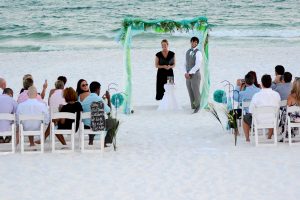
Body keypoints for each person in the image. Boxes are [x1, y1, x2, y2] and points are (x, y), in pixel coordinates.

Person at [243, 74, 280, 142]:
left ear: (262, 84)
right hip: (272, 120)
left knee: (245, 118)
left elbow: (250, 110)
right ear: (271, 83)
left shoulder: (257, 95)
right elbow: (278, 108)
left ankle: (247, 139)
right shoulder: (276, 94)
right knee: (271, 115)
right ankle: (269, 136)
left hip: (258, 121)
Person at [184, 37, 202, 113]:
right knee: (190, 90)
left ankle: (198, 106)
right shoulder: (188, 51)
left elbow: (198, 65)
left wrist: (190, 72)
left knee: (196, 91)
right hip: (188, 75)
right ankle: (193, 105)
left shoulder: (198, 52)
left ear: (197, 43)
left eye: (194, 42)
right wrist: (185, 72)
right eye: (192, 42)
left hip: (195, 74)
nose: (193, 43)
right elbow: (185, 63)